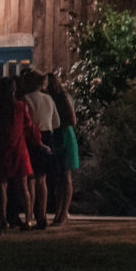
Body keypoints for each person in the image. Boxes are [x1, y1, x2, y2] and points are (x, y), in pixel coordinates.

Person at [0, 75, 46, 235]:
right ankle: (29, 219)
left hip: (1, 148)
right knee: (23, 186)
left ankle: (2, 221)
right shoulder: (20, 106)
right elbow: (29, 126)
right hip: (19, 148)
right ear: (13, 89)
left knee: (2, 186)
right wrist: (38, 141)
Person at [18, 69, 56, 229]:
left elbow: (25, 122)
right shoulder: (48, 99)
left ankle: (30, 215)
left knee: (30, 179)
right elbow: (56, 122)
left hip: (31, 138)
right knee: (42, 180)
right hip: (47, 135)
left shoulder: (25, 99)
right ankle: (43, 215)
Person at [45, 69, 80, 226]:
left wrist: (55, 125)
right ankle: (59, 212)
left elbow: (72, 120)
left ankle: (63, 212)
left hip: (64, 137)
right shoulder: (50, 99)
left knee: (65, 177)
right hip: (56, 138)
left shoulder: (62, 98)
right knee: (58, 178)